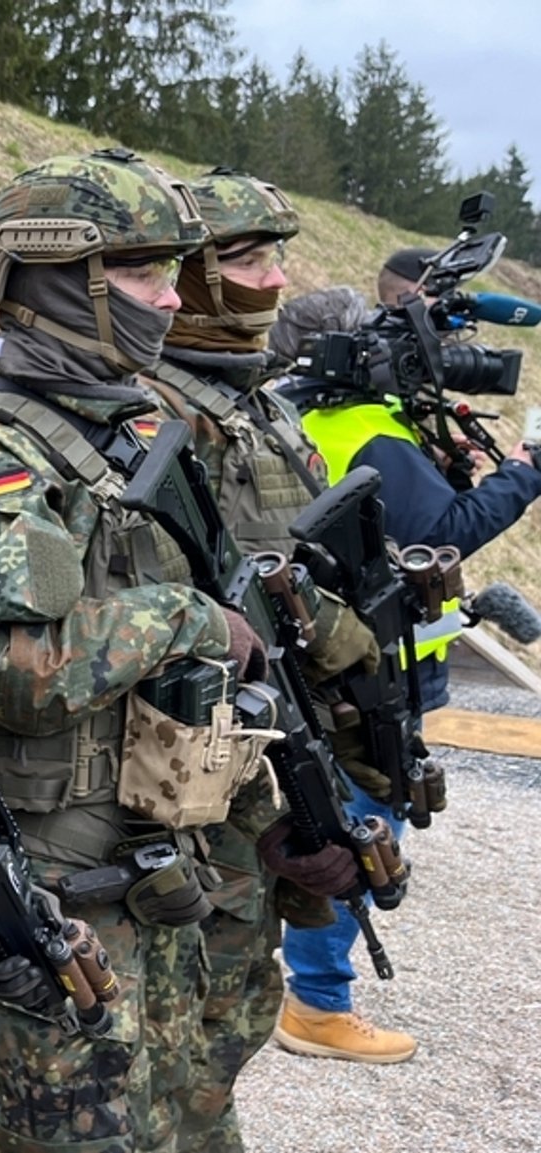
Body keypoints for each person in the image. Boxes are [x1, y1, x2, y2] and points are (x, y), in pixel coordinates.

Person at [0, 148, 270, 1153]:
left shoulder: (129, 427)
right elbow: (12, 672)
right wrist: (184, 620)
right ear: (66, 285)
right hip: (68, 889)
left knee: (187, 1119)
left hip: (153, 853)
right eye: (141, 275)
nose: (168, 298)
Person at [133, 168, 368, 1149]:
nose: (273, 278)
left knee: (228, 1021)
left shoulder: (256, 405)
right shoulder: (154, 415)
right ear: (190, 273)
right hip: (185, 787)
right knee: (172, 1048)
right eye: (247, 256)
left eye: (276, 256)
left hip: (264, 767)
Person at [266, 256, 541, 1064]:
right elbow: (445, 529)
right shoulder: (369, 429)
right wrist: (526, 473)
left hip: (321, 651)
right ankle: (319, 1001)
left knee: (326, 810)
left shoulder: (288, 415)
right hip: (381, 665)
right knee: (362, 819)